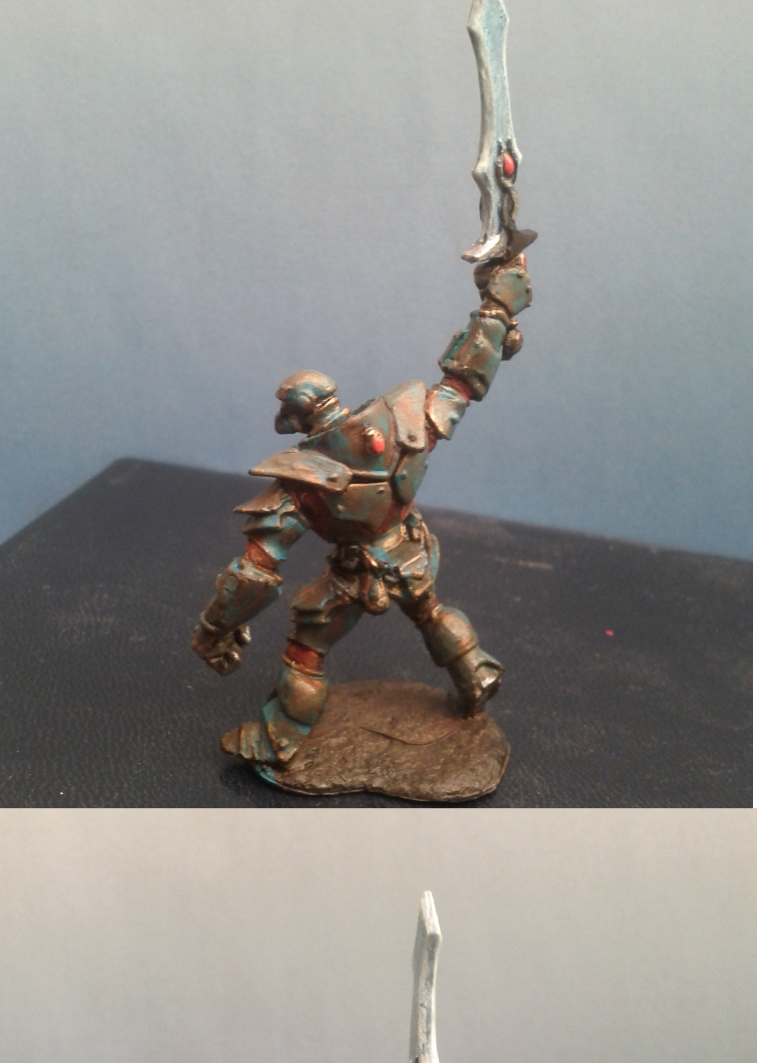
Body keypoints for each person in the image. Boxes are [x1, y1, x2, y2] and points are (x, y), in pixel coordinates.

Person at [192, 252, 532, 782]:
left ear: (296, 419)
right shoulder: (405, 426)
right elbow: (461, 381)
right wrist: (497, 309)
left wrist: (216, 627)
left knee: (306, 647)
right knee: (429, 611)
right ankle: (475, 670)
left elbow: (256, 570)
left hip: (356, 576)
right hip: (412, 551)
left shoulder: (303, 479)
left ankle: (281, 738)